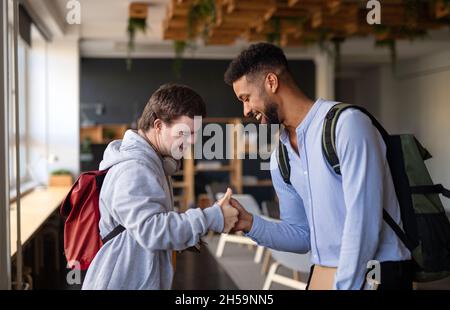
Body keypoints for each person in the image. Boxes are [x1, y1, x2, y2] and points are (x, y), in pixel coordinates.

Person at [224, 43, 412, 290]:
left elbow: (364, 225)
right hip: (324, 273)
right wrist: (249, 223)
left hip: (377, 272)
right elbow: (302, 236)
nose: (246, 110)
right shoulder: (280, 156)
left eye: (246, 98)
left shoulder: (347, 125)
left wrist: (342, 286)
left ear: (271, 82)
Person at [82, 84, 238, 290]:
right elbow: (151, 230)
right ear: (158, 125)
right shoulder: (135, 169)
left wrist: (184, 234)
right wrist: (212, 217)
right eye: (184, 133)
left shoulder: (152, 164)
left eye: (195, 133)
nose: (191, 141)